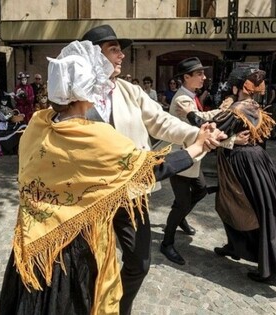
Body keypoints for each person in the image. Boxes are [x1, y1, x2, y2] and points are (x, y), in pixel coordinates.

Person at [0, 40, 214, 315]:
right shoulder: (93, 134)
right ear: (85, 91)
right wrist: (197, 147)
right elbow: (148, 169)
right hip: (77, 242)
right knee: (78, 299)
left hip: (39, 239)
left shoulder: (38, 124)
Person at [80, 24, 226, 314]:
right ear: (94, 56)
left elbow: (160, 121)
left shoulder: (129, 90)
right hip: (90, 197)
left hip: (133, 193)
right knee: (90, 262)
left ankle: (121, 308)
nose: (122, 55)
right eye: (114, 49)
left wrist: (194, 135)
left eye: (121, 49)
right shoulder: (75, 94)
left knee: (139, 262)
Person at [187, 67, 276, 286]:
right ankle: (235, 246)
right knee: (242, 206)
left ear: (238, 87)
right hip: (257, 161)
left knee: (243, 208)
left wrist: (190, 114)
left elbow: (212, 129)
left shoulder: (237, 109)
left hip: (241, 164)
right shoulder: (253, 105)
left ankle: (267, 267)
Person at [161, 57, 249, 266]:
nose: (204, 77)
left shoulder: (190, 96)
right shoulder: (183, 99)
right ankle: (167, 242)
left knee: (200, 191)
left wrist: (222, 109)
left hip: (193, 158)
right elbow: (200, 124)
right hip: (182, 158)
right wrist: (232, 137)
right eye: (199, 74)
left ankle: (180, 217)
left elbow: (202, 115)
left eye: (203, 73)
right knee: (181, 203)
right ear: (186, 77)